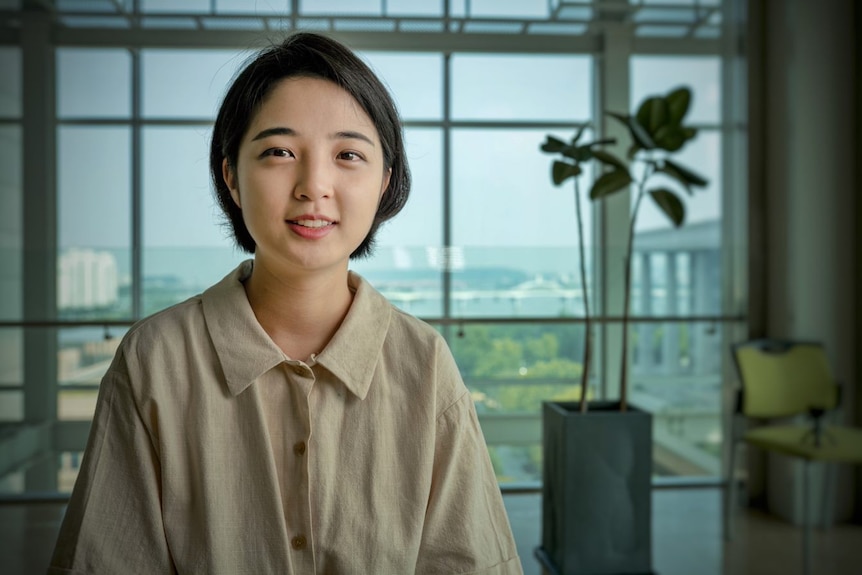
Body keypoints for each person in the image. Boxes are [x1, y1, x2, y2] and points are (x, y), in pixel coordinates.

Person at [49, 31, 523, 574]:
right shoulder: (154, 360)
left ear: (385, 182)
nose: (313, 185)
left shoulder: (424, 362)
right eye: (279, 152)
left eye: (348, 154)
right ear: (230, 175)